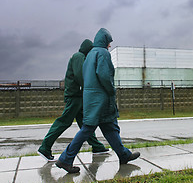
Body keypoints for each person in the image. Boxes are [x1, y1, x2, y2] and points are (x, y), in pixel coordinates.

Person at [55, 28, 140, 173]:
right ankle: (65, 159)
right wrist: (111, 90)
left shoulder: (89, 55)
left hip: (91, 99)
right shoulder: (103, 53)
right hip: (101, 99)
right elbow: (104, 75)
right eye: (109, 42)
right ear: (105, 41)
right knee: (88, 129)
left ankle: (123, 155)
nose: (110, 46)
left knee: (110, 128)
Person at [37, 39, 109, 161]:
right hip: (74, 97)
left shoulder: (82, 57)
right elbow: (81, 76)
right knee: (64, 121)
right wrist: (92, 89)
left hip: (78, 96)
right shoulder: (78, 56)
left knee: (86, 124)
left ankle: (97, 147)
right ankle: (44, 148)